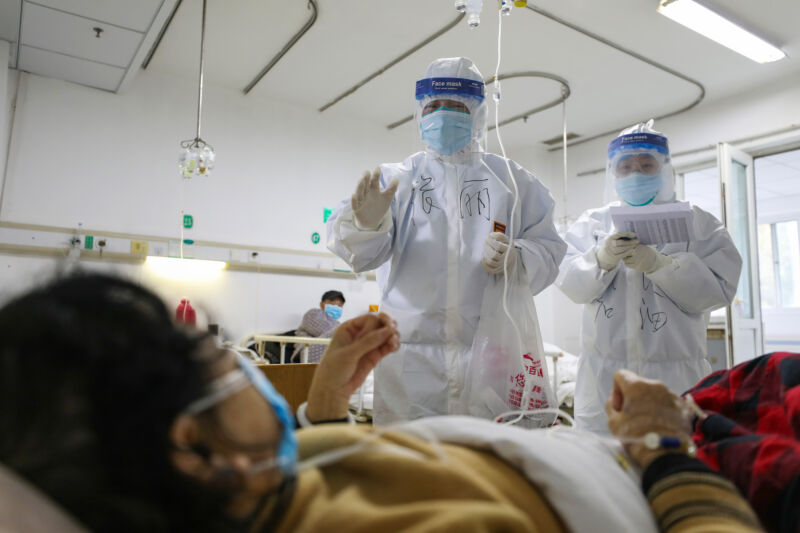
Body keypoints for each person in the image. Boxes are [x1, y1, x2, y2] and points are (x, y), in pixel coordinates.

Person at [0, 273, 763, 532]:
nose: (243, 370)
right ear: (196, 449)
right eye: (218, 363)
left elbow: (320, 472)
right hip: (697, 479)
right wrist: (662, 446)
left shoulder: (254, 493)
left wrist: (327, 400)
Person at [327, 57, 567, 424]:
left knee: (485, 467)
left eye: (455, 106)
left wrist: (517, 258)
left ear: (478, 114)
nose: (442, 115)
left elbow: (551, 251)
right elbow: (360, 256)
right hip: (411, 360)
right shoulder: (396, 181)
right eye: (433, 106)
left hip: (490, 356)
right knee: (413, 467)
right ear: (419, 113)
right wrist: (366, 223)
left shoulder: (515, 183)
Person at [556, 120, 742, 433]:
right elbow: (571, 285)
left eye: (647, 165)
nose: (636, 174)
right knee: (605, 465)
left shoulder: (698, 223)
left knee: (671, 459)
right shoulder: (594, 223)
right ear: (613, 172)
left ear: (664, 168)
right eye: (626, 166)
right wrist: (601, 258)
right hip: (604, 380)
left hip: (675, 376)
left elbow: (718, 290)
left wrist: (660, 264)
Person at [291, 290, 345, 363]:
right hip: (306, 351)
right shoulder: (313, 313)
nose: (336, 307)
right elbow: (324, 330)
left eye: (339, 305)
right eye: (332, 303)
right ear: (322, 305)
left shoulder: (337, 323)